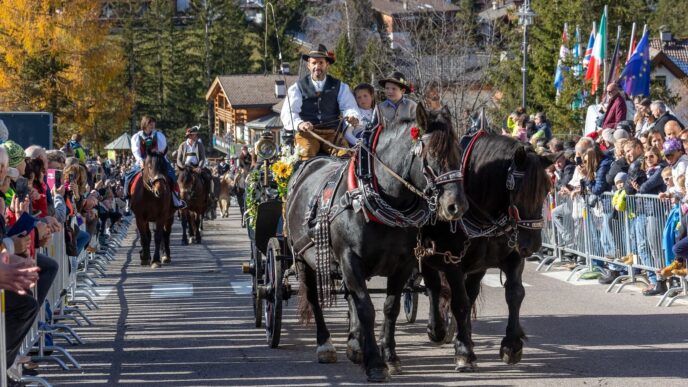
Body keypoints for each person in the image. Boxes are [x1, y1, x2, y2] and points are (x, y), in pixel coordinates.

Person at [280, 44, 359, 160]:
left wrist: (352, 116)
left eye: (321, 63)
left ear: (327, 64)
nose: (317, 66)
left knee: (345, 154)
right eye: (314, 63)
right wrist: (300, 124)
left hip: (333, 134)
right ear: (308, 65)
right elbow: (289, 112)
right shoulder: (297, 87)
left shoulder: (340, 86)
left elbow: (349, 106)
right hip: (307, 135)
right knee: (306, 153)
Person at [126, 115, 185, 209]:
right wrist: (140, 161)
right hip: (143, 161)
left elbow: (162, 150)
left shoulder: (159, 135)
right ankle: (128, 200)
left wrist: (159, 157)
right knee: (128, 177)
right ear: (145, 124)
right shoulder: (137, 137)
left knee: (172, 176)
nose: (152, 125)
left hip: (157, 160)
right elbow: (135, 151)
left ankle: (176, 199)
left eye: (153, 123)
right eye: (150, 123)